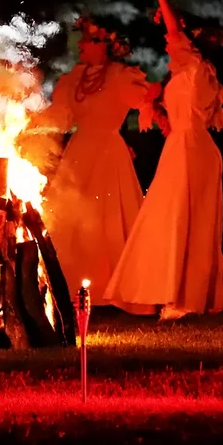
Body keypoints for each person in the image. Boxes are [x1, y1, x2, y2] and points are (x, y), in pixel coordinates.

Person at [103, 0, 223, 320]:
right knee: (170, 215)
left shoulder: (195, 69)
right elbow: (172, 115)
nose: (167, 39)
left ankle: (183, 298)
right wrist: (158, 109)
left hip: (193, 149)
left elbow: (176, 35)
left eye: (174, 36)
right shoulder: (184, 75)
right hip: (182, 146)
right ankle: (173, 292)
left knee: (182, 217)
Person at [26, 16, 156, 301]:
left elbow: (147, 101)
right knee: (71, 215)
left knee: (107, 217)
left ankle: (118, 287)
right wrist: (29, 119)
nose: (83, 44)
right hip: (79, 151)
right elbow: (62, 117)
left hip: (109, 153)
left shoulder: (122, 75)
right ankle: (67, 285)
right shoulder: (74, 78)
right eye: (83, 39)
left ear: (108, 47)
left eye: (92, 40)